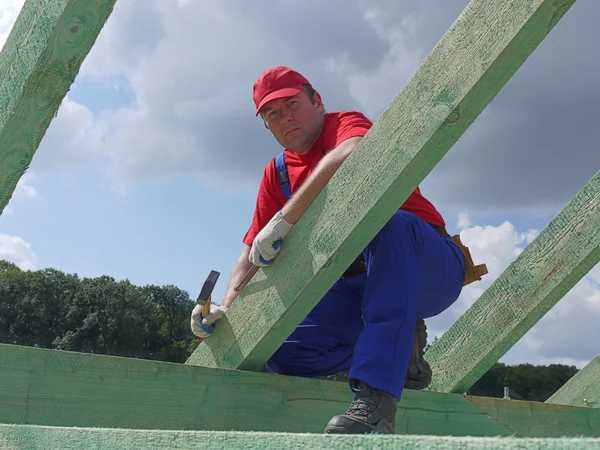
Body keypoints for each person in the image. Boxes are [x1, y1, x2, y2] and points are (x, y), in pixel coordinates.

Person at [191, 66, 467, 434]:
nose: (285, 116)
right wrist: (228, 308)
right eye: (273, 113)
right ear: (267, 127)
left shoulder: (344, 125)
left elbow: (354, 150)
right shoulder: (277, 173)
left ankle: (377, 402)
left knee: (390, 223)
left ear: (317, 102)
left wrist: (287, 217)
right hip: (358, 291)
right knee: (279, 349)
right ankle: (398, 352)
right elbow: (252, 252)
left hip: (425, 264)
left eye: (292, 103)